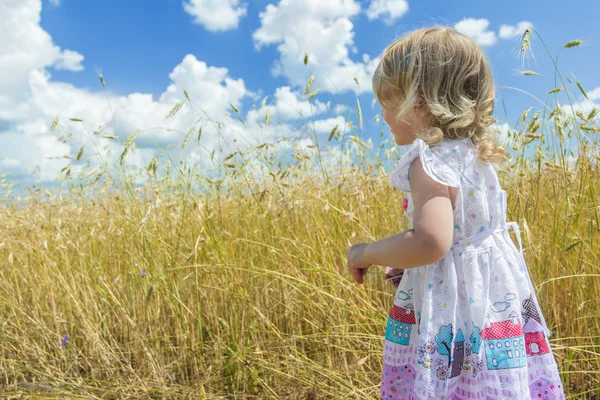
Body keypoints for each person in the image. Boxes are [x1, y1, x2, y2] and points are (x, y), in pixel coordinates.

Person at [346, 27, 565, 399]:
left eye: (388, 100)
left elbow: (431, 241)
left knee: (452, 379)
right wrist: (408, 261)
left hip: (452, 309)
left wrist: (365, 251)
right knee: (487, 379)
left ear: (420, 100)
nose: (382, 114)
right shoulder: (475, 155)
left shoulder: (427, 162)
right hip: (494, 297)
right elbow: (461, 236)